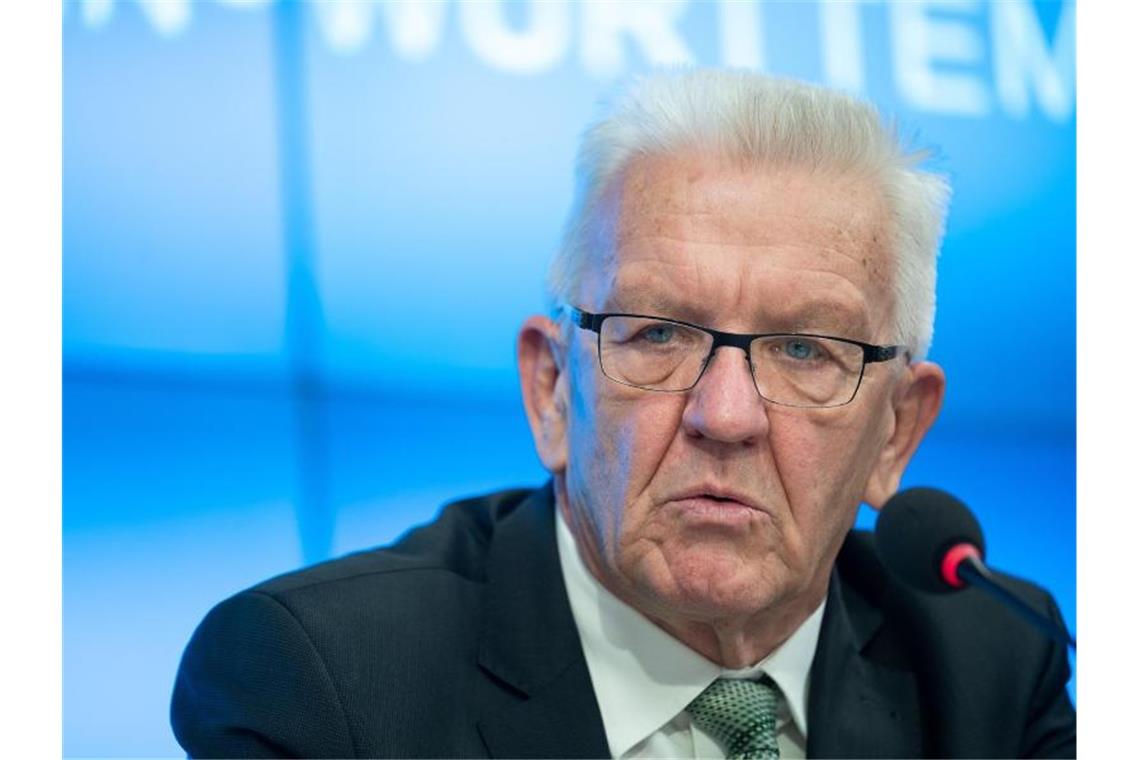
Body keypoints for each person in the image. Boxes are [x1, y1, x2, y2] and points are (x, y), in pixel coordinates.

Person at [171, 68, 1076, 758]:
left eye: (806, 351)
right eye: (657, 334)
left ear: (897, 432)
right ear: (554, 390)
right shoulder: (323, 685)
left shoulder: (994, 668)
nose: (725, 417)